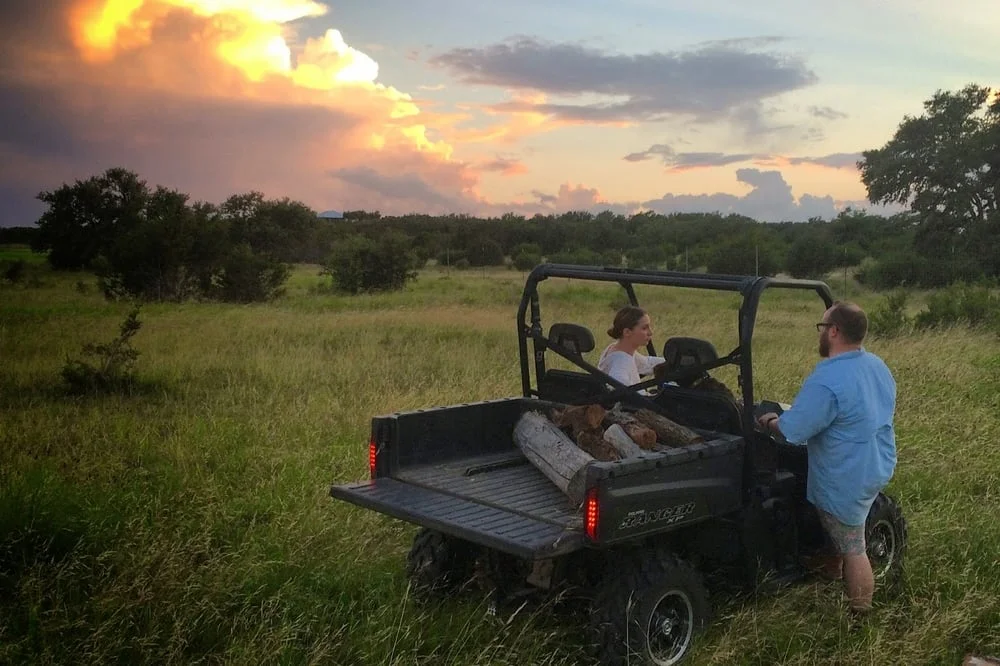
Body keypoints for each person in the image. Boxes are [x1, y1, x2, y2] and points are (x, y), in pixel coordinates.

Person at [756, 301, 897, 614]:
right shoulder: (876, 365)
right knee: (838, 528)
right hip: (874, 462)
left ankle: (860, 616)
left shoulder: (828, 380)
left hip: (845, 475)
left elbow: (794, 429)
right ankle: (830, 568)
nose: (819, 333)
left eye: (821, 327)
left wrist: (769, 421)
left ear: (833, 331)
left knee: (854, 547)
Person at [598, 306, 665, 390]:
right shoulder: (621, 361)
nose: (650, 332)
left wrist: (673, 362)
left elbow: (646, 363)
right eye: (644, 328)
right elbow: (620, 389)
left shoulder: (619, 350)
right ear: (627, 332)